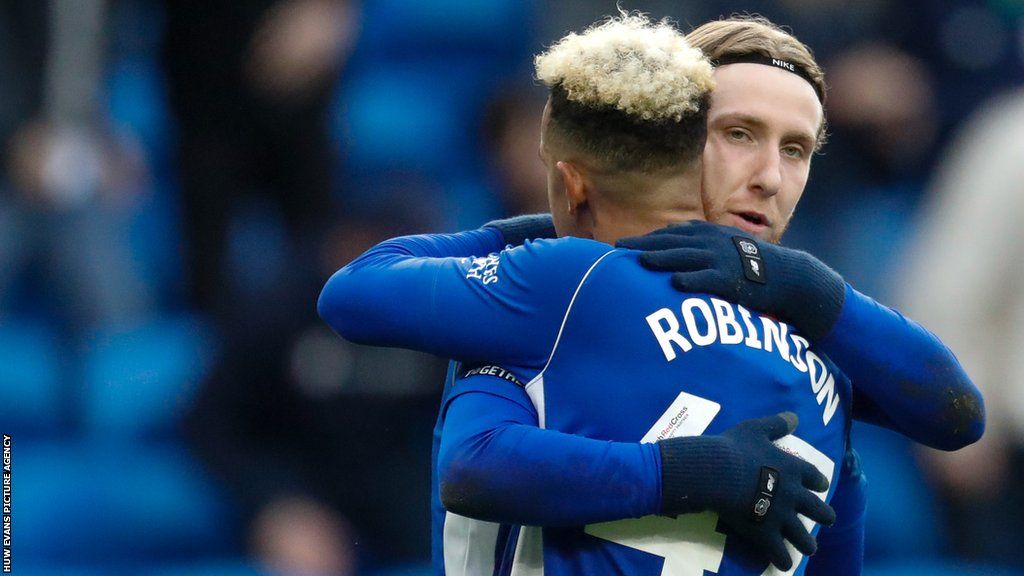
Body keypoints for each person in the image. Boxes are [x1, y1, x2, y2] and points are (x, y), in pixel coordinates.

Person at [320, 13, 983, 576]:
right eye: (739, 134)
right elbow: (473, 465)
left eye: (797, 149)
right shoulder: (567, 283)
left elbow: (956, 416)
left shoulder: (818, 344)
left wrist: (806, 288)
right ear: (668, 137)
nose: (769, 178)